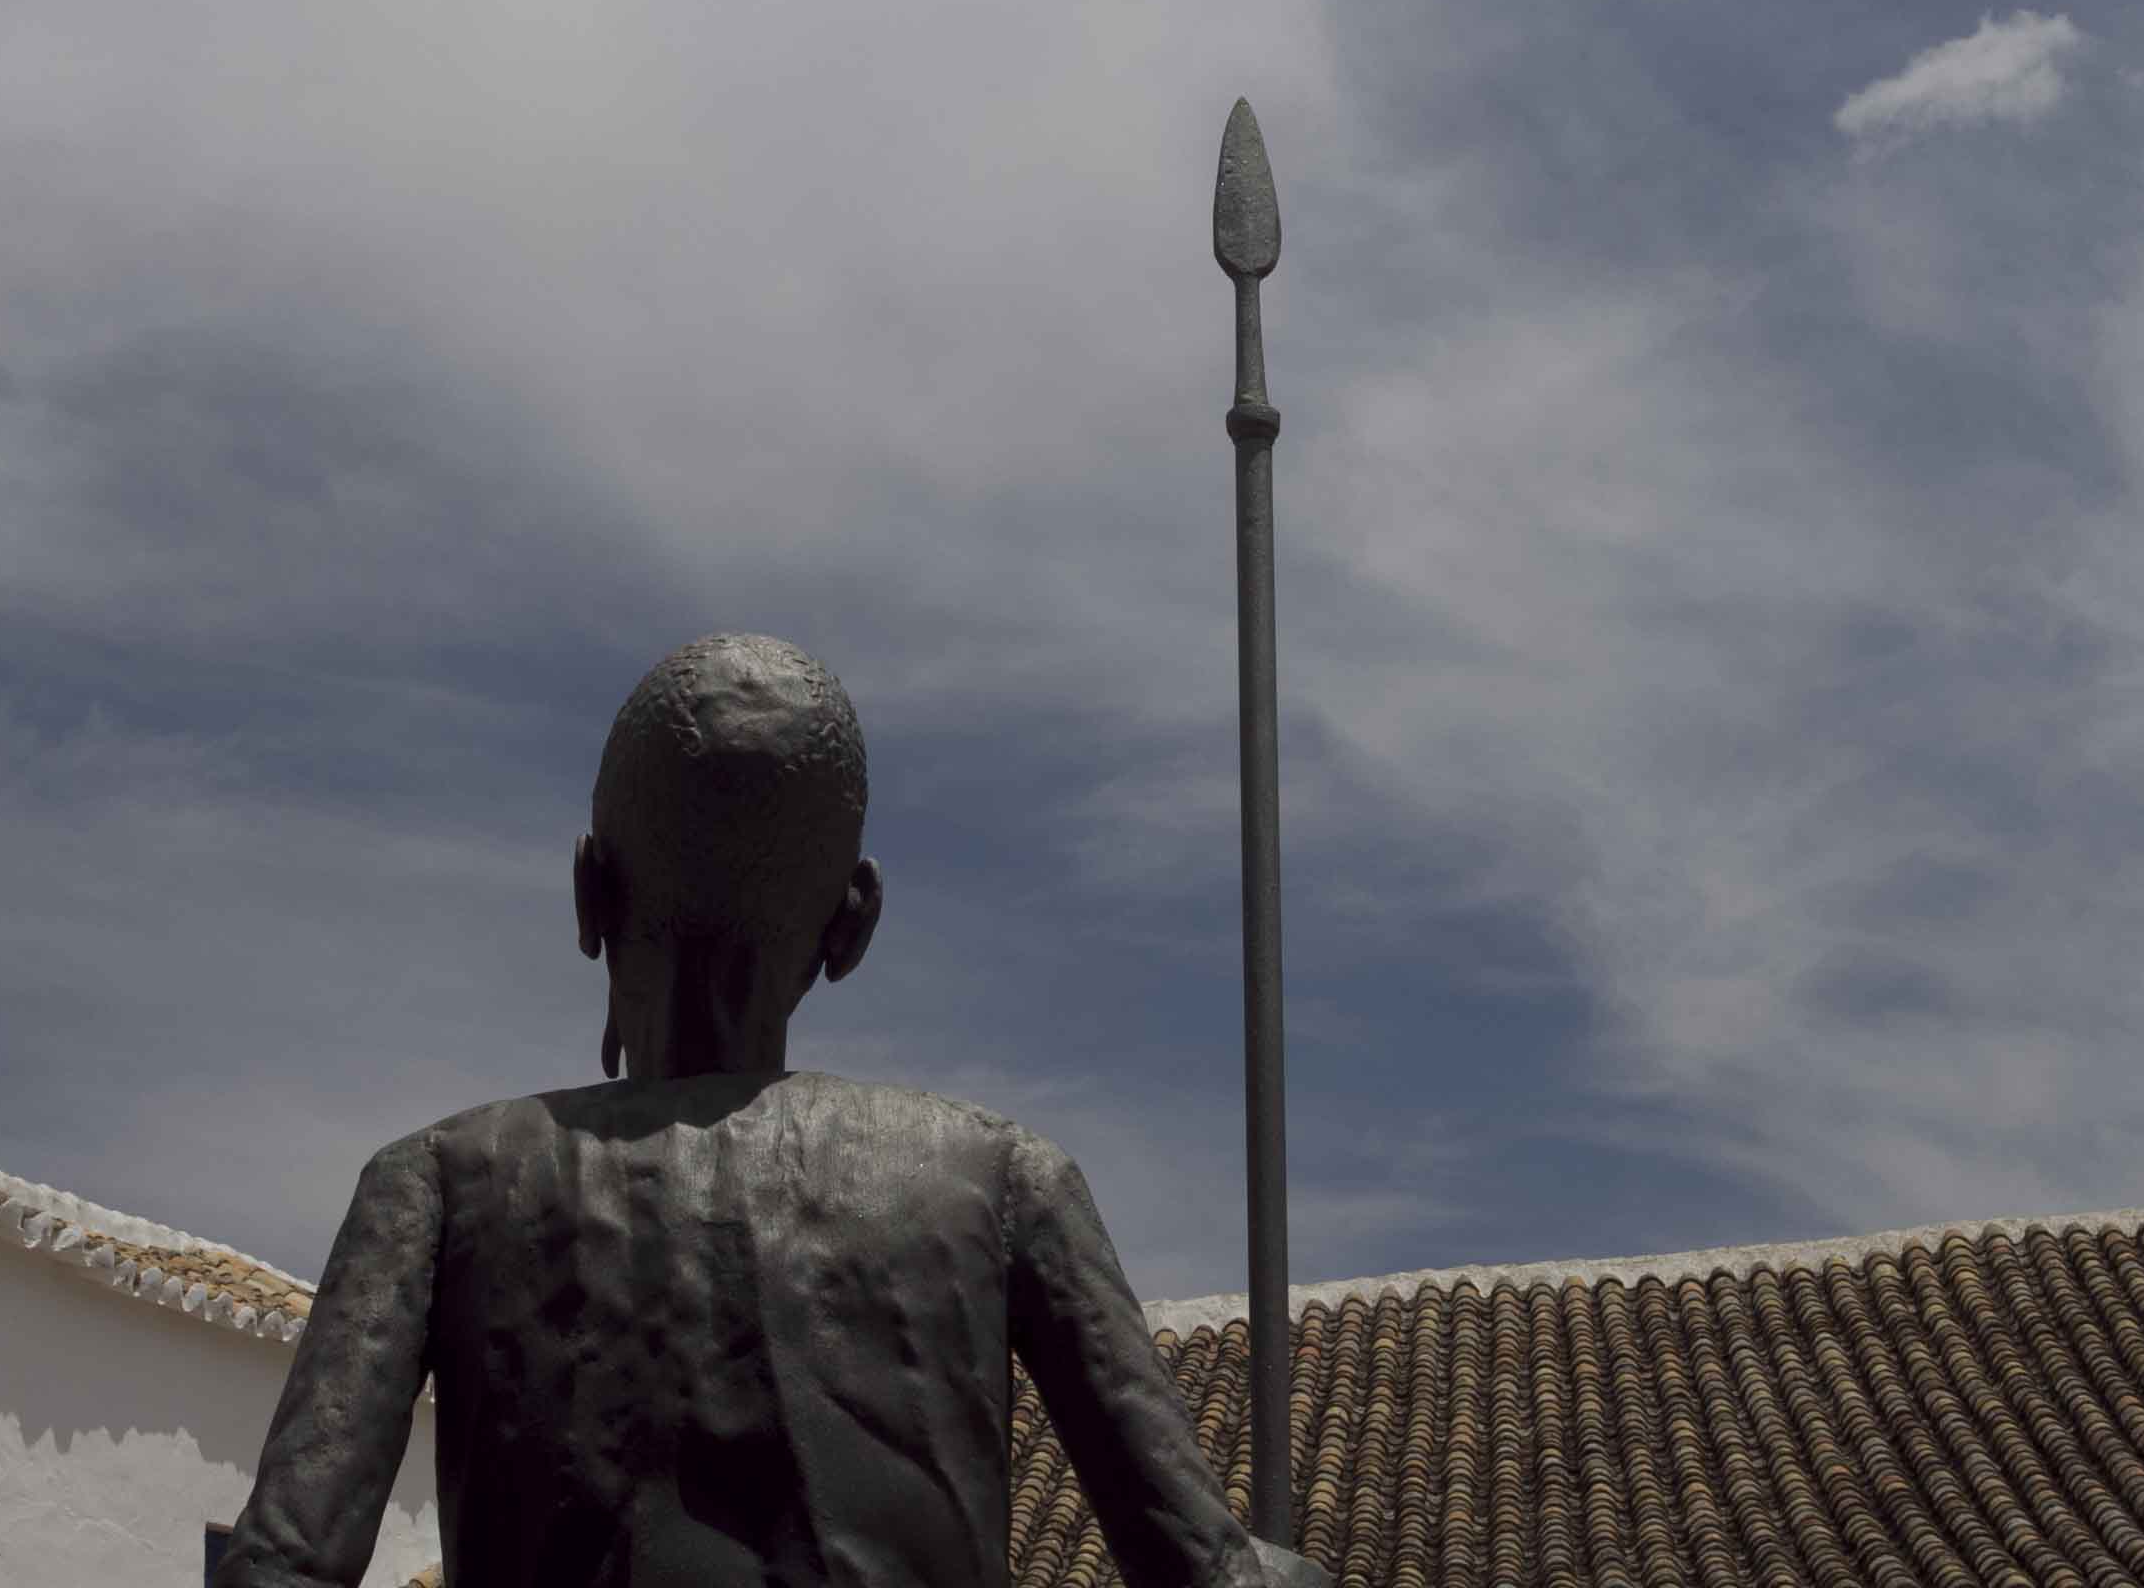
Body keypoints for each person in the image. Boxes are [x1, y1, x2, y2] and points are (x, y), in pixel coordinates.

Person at [217, 633, 1321, 1588]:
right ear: (853, 924)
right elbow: (1208, 1571)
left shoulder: (437, 1185)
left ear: (589, 894)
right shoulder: (1006, 1182)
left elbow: (281, 1566)